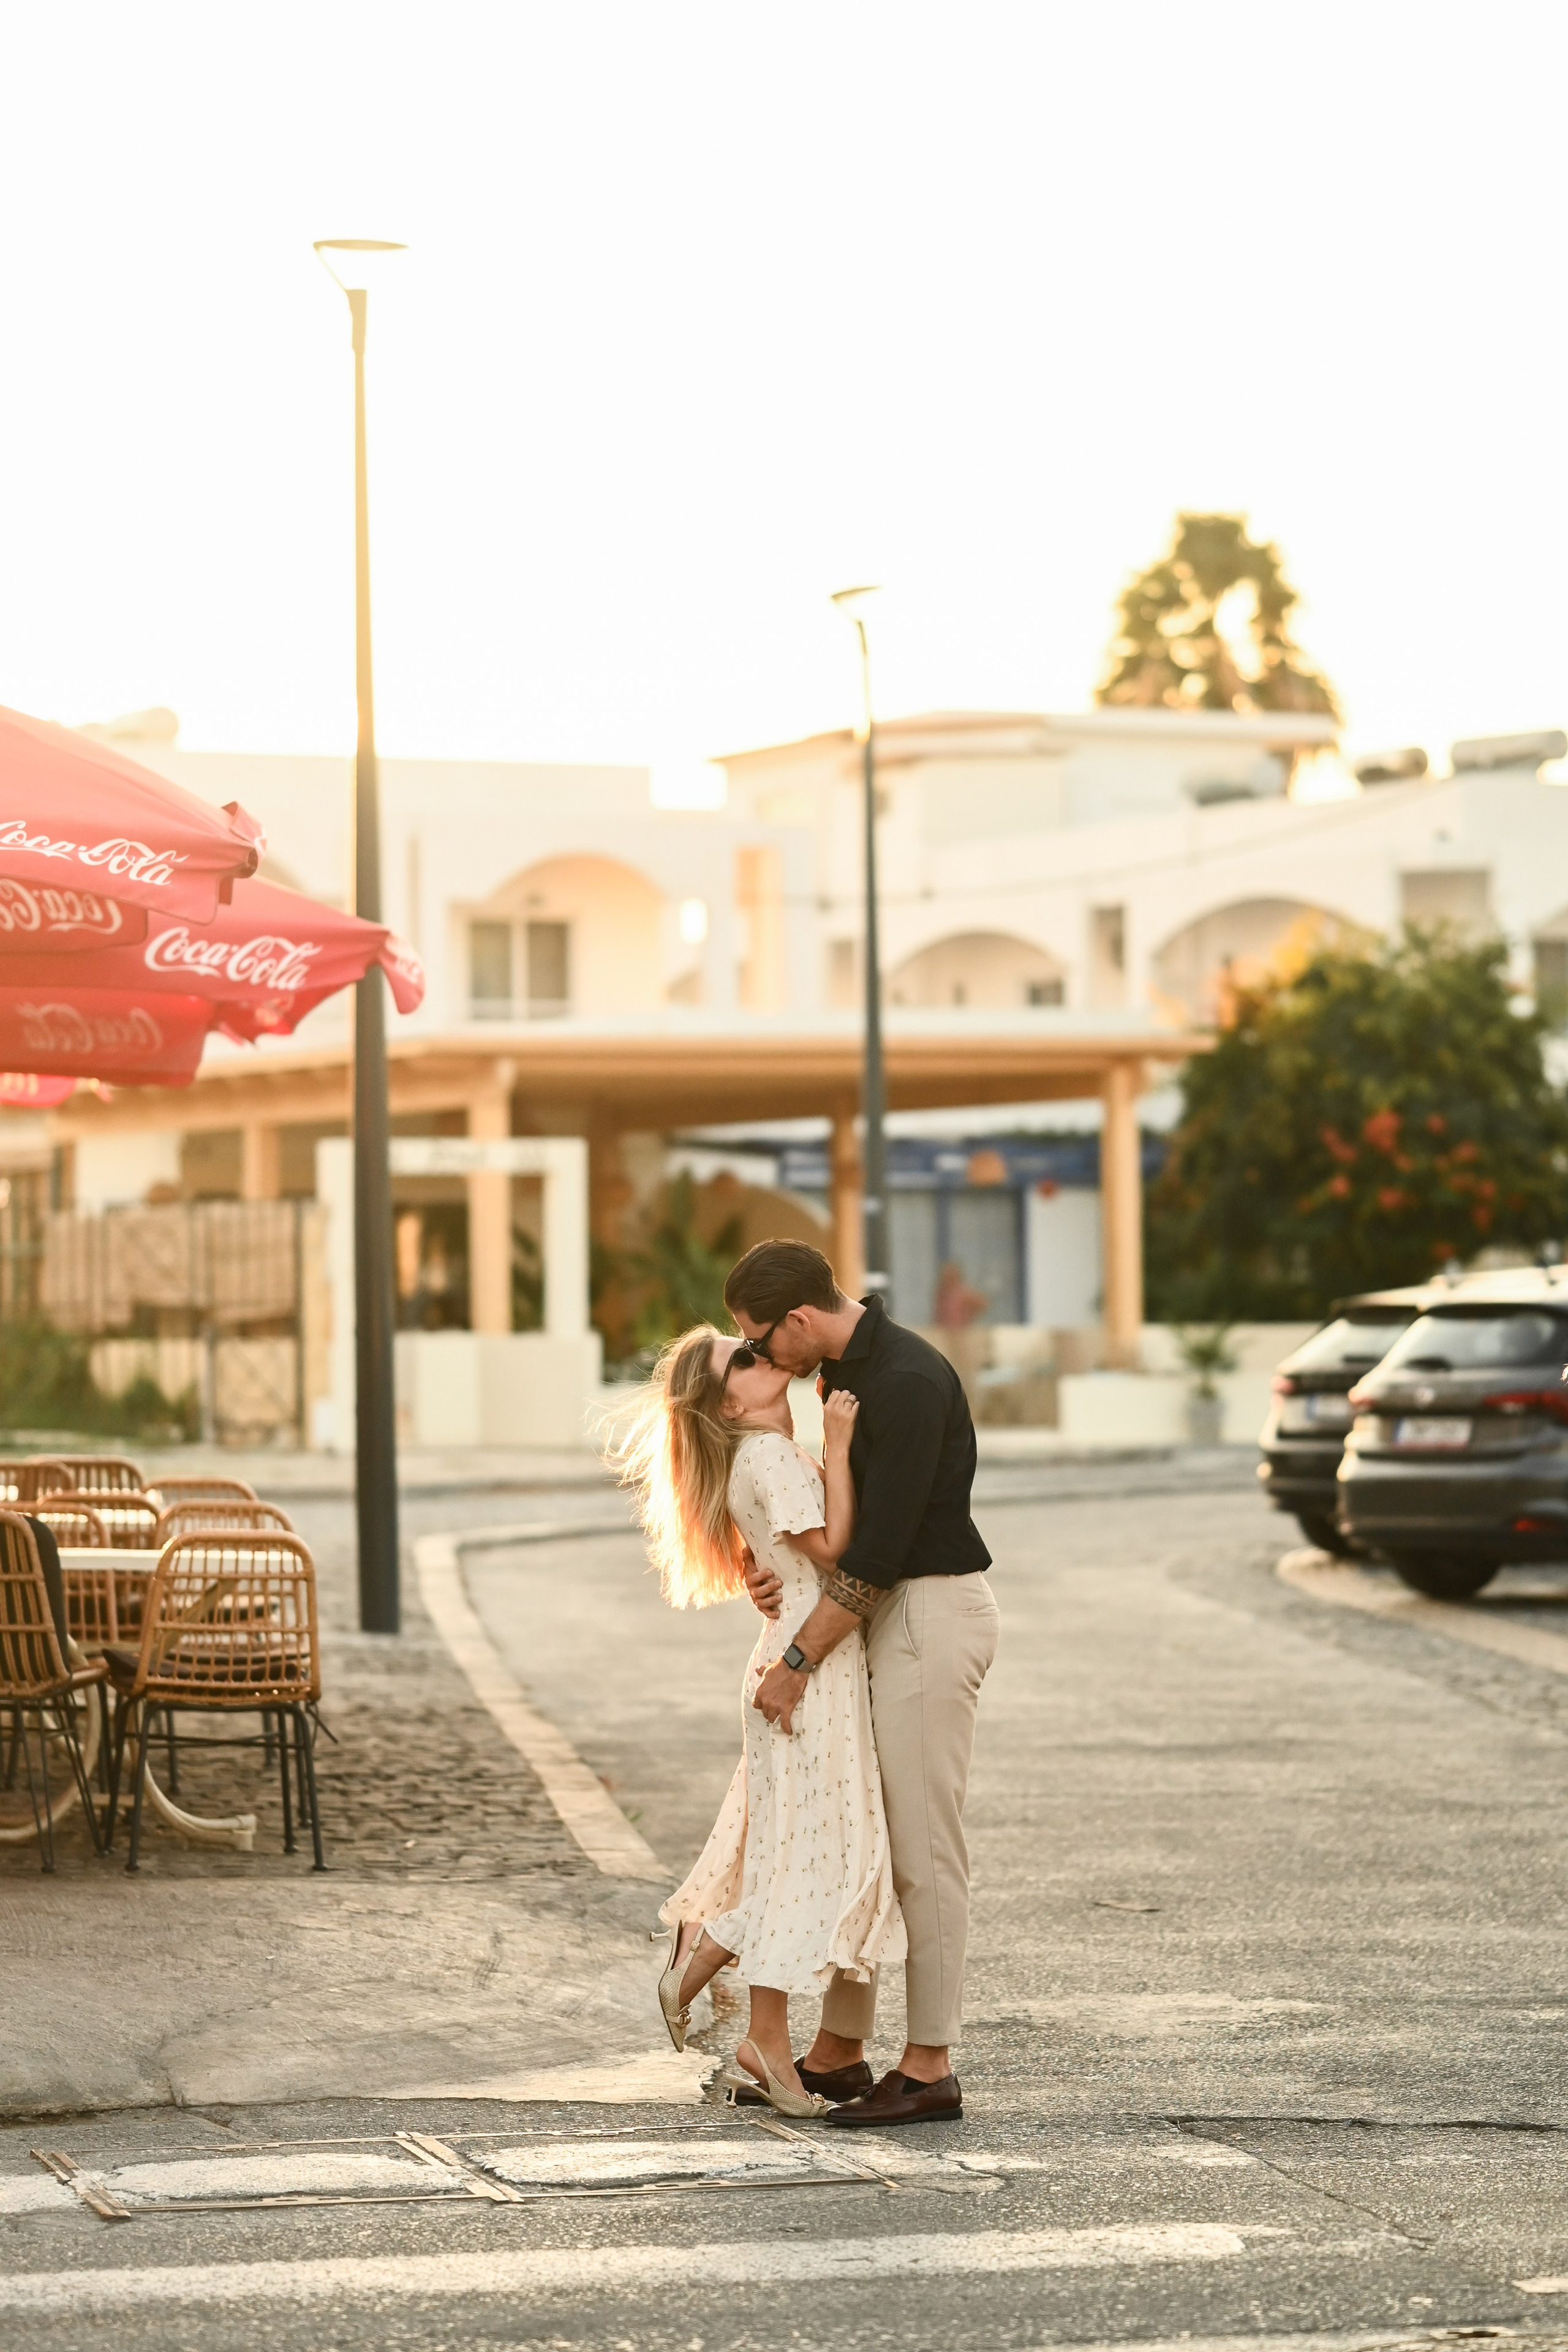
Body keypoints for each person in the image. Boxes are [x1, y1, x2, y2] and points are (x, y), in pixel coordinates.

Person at [723, 1238, 998, 2129]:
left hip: (926, 1615)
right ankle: (839, 2052)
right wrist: (760, 1570)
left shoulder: (906, 1382)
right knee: (868, 1840)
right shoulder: (840, 1376)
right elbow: (818, 1518)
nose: (760, 1357)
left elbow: (876, 1556)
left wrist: (795, 1663)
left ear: (801, 1319)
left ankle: (930, 2068)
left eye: (761, 1340)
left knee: (923, 1853)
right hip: (877, 1620)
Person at [616, 1322, 905, 2119]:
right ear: (729, 1404)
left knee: (796, 1857)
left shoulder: (762, 1455)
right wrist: (839, 1444)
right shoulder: (771, 1456)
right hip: (804, 1676)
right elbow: (839, 1548)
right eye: (741, 1359)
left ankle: (755, 2028)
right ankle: (715, 1964)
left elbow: (797, 1556)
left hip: (799, 1666)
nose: (759, 1355)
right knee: (815, 1860)